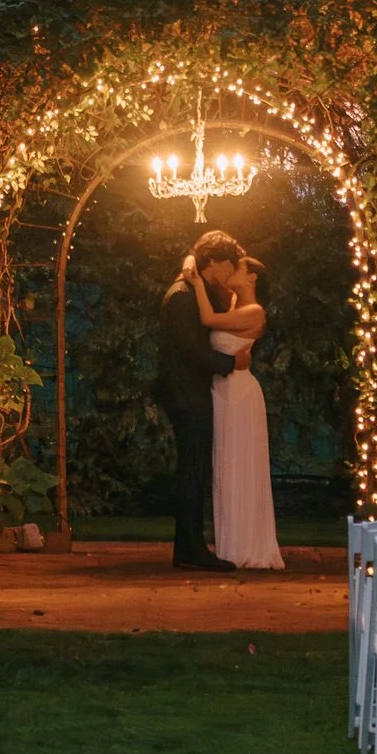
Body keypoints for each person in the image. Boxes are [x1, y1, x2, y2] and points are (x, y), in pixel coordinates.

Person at [184, 248, 285, 571]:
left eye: (238, 269)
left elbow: (208, 321)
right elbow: (197, 258)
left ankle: (248, 546)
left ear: (252, 277)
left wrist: (197, 284)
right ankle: (229, 543)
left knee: (240, 464)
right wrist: (193, 262)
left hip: (240, 393)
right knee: (226, 464)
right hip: (222, 390)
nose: (231, 273)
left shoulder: (253, 311)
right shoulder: (232, 302)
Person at [157, 228, 249, 571]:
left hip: (189, 391)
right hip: (186, 394)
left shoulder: (191, 290)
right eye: (229, 265)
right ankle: (189, 548)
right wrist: (231, 363)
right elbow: (191, 350)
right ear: (216, 262)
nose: (231, 273)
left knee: (194, 469)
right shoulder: (182, 296)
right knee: (192, 470)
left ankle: (191, 546)